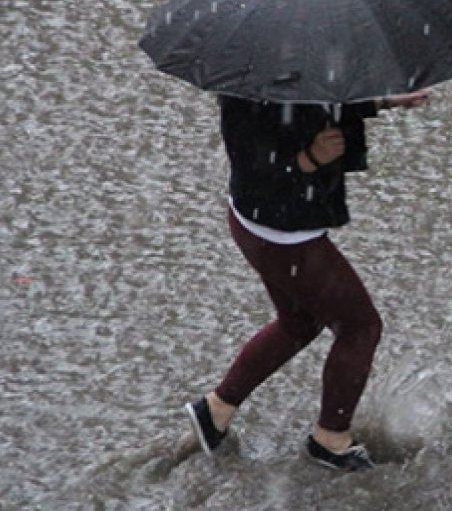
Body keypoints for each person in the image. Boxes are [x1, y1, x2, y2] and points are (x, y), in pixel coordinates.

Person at [183, 89, 431, 472]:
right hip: (283, 234)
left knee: (299, 322)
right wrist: (309, 159)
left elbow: (316, 101)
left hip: (259, 223)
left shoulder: (284, 71)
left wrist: (384, 101)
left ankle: (215, 410)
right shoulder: (251, 92)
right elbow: (256, 164)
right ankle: (330, 440)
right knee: (360, 327)